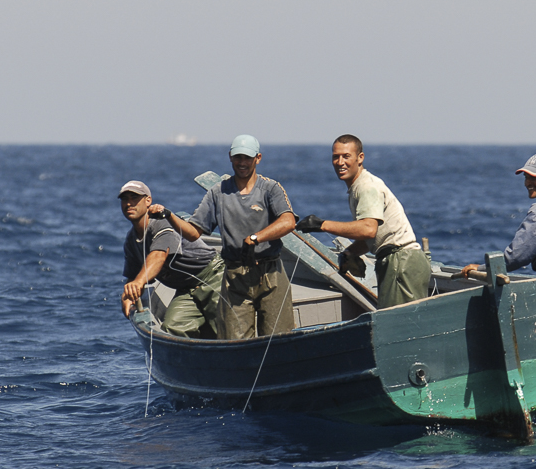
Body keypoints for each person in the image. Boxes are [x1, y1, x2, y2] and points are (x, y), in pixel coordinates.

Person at [148, 135, 298, 339]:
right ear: (230, 157)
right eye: (238, 157)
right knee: (235, 342)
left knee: (277, 340)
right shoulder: (217, 193)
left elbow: (288, 222)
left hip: (270, 274)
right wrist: (169, 215)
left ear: (258, 158)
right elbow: (193, 233)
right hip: (235, 278)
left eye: (247, 157)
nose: (242, 163)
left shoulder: (271, 189)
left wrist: (255, 238)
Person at [295, 134, 430, 308]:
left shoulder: (366, 187)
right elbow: (374, 236)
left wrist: (321, 225)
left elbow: (368, 230)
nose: (340, 162)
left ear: (360, 158)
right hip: (401, 261)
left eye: (346, 156)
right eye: (335, 157)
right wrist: (350, 253)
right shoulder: (358, 187)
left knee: (398, 325)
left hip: (400, 262)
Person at [118, 180, 224, 338]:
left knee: (228, 329)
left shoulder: (161, 223)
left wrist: (139, 283)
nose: (129, 204)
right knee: (172, 330)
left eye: (134, 198)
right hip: (186, 289)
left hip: (212, 277)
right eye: (125, 199)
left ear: (148, 201)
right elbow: (132, 276)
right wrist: (127, 296)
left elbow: (158, 256)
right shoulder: (131, 240)